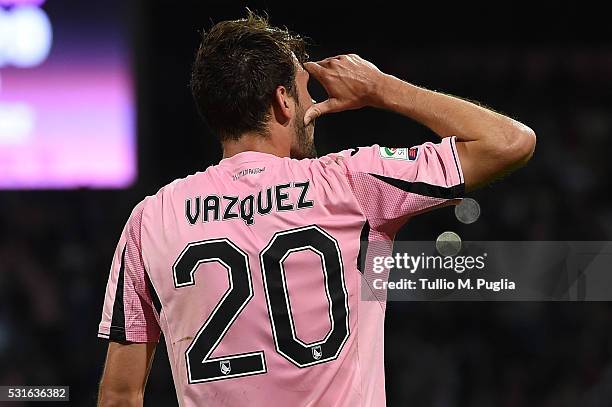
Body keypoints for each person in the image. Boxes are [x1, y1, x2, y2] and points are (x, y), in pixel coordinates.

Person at [97, 11, 535, 407]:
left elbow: (120, 394)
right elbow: (509, 143)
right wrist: (382, 89)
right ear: (283, 101)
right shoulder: (349, 182)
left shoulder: (151, 219)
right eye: (307, 93)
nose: (314, 106)